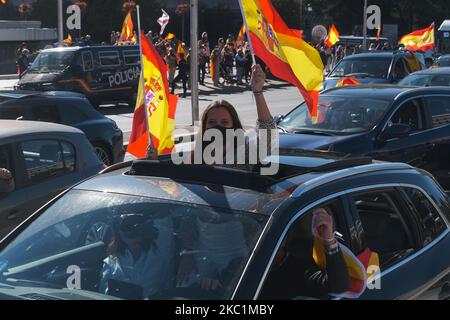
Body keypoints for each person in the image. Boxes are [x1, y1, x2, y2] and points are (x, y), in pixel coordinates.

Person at [259, 207, 350, 300]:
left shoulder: (298, 268)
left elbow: (338, 286)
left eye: (267, 237)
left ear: (284, 239)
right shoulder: (246, 264)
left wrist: (329, 240)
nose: (258, 243)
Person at [99, 213, 175, 299]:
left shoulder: (159, 252)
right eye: (127, 226)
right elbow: (103, 296)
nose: (131, 230)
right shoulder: (111, 261)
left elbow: (163, 217)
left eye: (136, 224)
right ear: (118, 231)